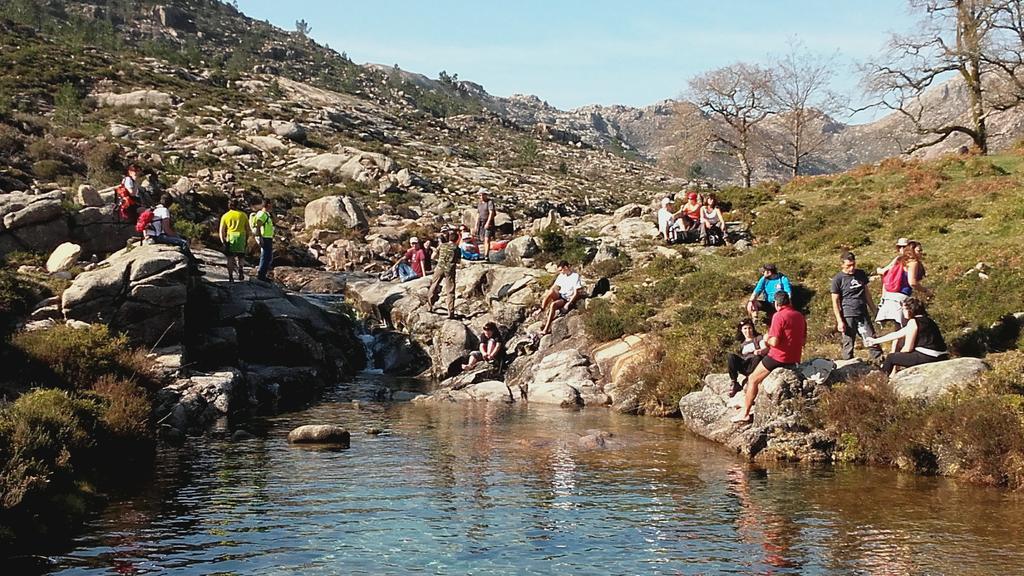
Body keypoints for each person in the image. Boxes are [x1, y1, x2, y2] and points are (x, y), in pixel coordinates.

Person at [730, 291, 806, 423]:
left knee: (753, 379)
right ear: (789, 302)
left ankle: (745, 413)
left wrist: (766, 338)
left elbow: (774, 342)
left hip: (779, 357)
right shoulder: (799, 316)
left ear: (776, 303)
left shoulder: (778, 316)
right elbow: (803, 340)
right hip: (794, 357)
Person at [865, 297, 949, 376]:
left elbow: (908, 348)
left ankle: (880, 379)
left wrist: (898, 359)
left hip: (929, 356)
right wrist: (875, 341)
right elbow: (897, 334)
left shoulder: (913, 322)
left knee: (891, 357)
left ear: (910, 309)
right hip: (942, 355)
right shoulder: (928, 320)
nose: (902, 311)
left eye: (904, 309)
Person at [831, 251, 883, 362]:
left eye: (853, 264)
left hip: (863, 311)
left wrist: (874, 310)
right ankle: (848, 363)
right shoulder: (838, 279)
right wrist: (839, 321)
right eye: (848, 266)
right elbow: (835, 302)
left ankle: (880, 361)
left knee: (871, 337)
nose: (852, 268)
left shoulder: (860, 274)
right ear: (842, 265)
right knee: (848, 340)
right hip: (848, 313)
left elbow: (866, 293)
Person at [539, 260, 584, 335]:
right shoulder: (561, 276)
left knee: (553, 305)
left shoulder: (575, 276)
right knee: (550, 292)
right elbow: (553, 287)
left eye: (561, 270)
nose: (560, 272)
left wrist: (568, 304)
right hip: (561, 294)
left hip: (567, 298)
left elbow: (576, 293)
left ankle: (546, 329)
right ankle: (541, 308)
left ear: (565, 267)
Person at [726, 319, 769, 398]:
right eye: (745, 328)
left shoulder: (758, 338)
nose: (748, 330)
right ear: (741, 330)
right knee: (730, 356)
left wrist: (760, 351)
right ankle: (734, 382)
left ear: (752, 329)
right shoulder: (742, 344)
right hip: (745, 365)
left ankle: (750, 380)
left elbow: (765, 349)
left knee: (757, 358)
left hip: (756, 364)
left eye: (749, 328)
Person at [875, 238, 912, 326]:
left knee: (900, 327)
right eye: (901, 247)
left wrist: (879, 270)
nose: (902, 249)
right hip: (899, 296)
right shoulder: (904, 260)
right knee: (902, 327)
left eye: (904, 246)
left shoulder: (902, 260)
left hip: (897, 296)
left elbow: (883, 271)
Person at [427, 228, 461, 318]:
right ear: (457, 239)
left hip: (439, 267)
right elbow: (458, 261)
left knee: (434, 285)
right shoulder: (457, 248)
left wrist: (440, 260)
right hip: (450, 269)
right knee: (450, 290)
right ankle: (450, 312)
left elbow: (433, 256)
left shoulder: (442, 245)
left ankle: (429, 306)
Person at [218, 197, 249, 282]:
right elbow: (247, 229)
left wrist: (223, 241)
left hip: (231, 237)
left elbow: (221, 230)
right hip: (241, 237)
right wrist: (247, 239)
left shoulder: (225, 216)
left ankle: (231, 276)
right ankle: (241, 269)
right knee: (241, 257)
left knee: (230, 258)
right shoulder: (243, 215)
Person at [249, 198, 275, 283]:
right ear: (268, 205)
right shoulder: (262, 214)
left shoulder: (266, 214)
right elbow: (258, 225)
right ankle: (261, 275)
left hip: (267, 237)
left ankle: (263, 274)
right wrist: (259, 237)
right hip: (265, 237)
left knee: (268, 257)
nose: (272, 206)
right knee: (265, 256)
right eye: (271, 204)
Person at [475, 188, 496, 259]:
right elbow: (478, 214)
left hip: (488, 222)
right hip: (481, 222)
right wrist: (476, 224)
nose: (481, 197)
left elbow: (491, 213)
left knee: (487, 239)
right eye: (480, 195)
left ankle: (486, 255)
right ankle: (483, 254)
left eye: (482, 195)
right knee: (482, 239)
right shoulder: (479, 203)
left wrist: (488, 222)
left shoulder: (489, 202)